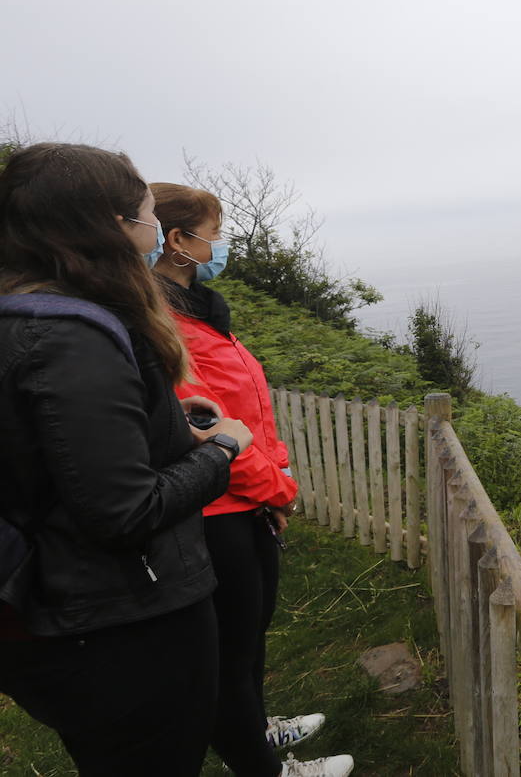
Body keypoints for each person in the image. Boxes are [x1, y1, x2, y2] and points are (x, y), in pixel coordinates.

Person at [0, 143, 246, 774]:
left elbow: (56, 452)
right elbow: (123, 511)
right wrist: (221, 450)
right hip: (116, 619)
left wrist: (171, 434)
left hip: (67, 610)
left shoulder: (28, 310)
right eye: (146, 214)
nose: (154, 228)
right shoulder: (68, 336)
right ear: (111, 227)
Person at [150, 182, 353, 777]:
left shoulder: (200, 308)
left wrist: (276, 475)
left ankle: (256, 727)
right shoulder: (161, 323)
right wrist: (278, 488)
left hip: (246, 500)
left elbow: (253, 408)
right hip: (212, 510)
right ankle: (262, 766)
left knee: (251, 631)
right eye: (213, 232)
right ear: (178, 240)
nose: (220, 243)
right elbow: (207, 422)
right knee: (228, 652)